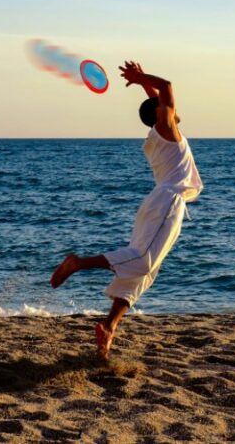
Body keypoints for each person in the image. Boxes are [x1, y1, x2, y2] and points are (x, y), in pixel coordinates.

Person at [50, 61, 203, 359]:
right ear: (162, 113)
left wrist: (143, 84)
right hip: (167, 203)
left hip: (162, 204)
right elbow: (168, 87)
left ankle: (108, 327)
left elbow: (160, 99)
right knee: (143, 261)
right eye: (166, 108)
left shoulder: (163, 134)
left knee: (144, 273)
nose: (172, 110)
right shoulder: (165, 129)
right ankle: (78, 263)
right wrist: (140, 77)